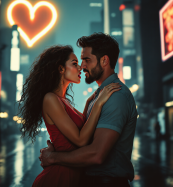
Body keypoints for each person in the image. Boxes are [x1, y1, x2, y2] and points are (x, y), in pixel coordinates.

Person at [39, 33, 138, 187]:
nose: (82, 66)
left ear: (104, 60)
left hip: (107, 182)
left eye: (86, 60)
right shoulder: (99, 97)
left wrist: (53, 157)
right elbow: (82, 136)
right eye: (78, 62)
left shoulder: (115, 96)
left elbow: (96, 154)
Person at [17, 44, 121, 187]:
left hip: (72, 175)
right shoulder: (50, 99)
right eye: (74, 64)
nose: (80, 68)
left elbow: (82, 127)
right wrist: (98, 104)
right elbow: (80, 140)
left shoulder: (63, 100)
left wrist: (89, 103)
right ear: (60, 69)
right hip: (58, 177)